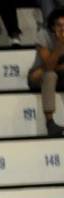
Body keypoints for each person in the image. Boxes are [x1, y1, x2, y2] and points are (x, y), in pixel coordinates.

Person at [29, 8, 64, 137]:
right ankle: (50, 123)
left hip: (60, 74)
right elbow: (49, 66)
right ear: (52, 26)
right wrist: (60, 45)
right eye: (59, 25)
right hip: (38, 75)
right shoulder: (43, 35)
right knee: (50, 75)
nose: (62, 29)